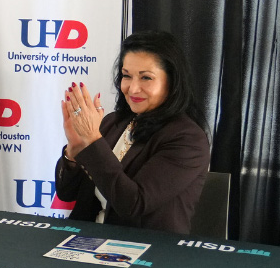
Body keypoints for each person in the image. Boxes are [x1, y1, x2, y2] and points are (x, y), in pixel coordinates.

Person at [55, 30, 211, 233]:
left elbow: (133, 204)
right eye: (126, 76)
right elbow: (66, 193)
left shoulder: (188, 139)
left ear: (172, 82)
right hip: (86, 241)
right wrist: (73, 151)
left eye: (146, 78)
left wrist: (93, 139)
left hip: (146, 253)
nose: (133, 88)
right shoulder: (113, 122)